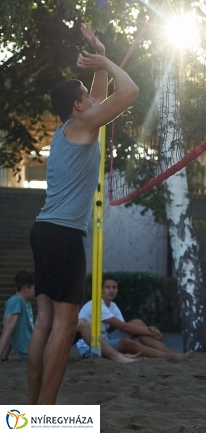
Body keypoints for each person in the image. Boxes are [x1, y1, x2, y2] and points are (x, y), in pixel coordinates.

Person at [28, 24, 139, 404]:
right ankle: (44, 415)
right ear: (78, 106)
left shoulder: (69, 128)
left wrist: (101, 55)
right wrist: (106, 63)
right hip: (63, 235)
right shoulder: (83, 124)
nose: (93, 100)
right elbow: (130, 92)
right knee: (64, 324)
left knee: (45, 322)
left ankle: (31, 411)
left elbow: (100, 95)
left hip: (44, 230)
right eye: (86, 97)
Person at [75, 273, 178, 360]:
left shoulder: (113, 306)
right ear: (101, 289)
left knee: (137, 323)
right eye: (107, 287)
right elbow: (124, 327)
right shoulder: (96, 304)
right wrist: (151, 333)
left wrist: (150, 331)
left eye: (114, 287)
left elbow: (128, 328)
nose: (111, 290)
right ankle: (167, 357)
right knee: (126, 343)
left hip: (105, 339)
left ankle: (170, 354)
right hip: (91, 348)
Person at [0, 270, 36, 362]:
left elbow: (13, 329)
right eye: (35, 288)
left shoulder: (26, 302)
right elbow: (7, 330)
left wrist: (4, 356)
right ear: (25, 289)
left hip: (34, 347)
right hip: (30, 352)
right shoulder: (16, 301)